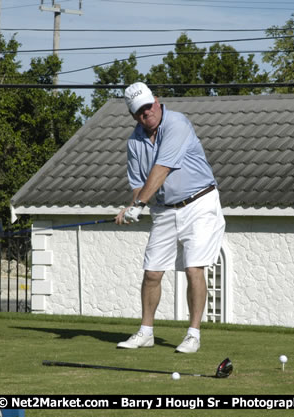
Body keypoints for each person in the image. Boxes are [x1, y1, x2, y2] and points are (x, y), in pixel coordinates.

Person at [115, 82, 225, 353]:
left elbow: (162, 168)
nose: (147, 113)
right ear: (133, 115)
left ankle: (193, 334)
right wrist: (131, 208)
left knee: (193, 267)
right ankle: (146, 332)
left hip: (199, 202)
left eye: (149, 105)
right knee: (152, 272)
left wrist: (139, 205)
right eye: (139, 110)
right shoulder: (134, 142)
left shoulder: (177, 123)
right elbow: (139, 185)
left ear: (157, 100)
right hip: (164, 209)